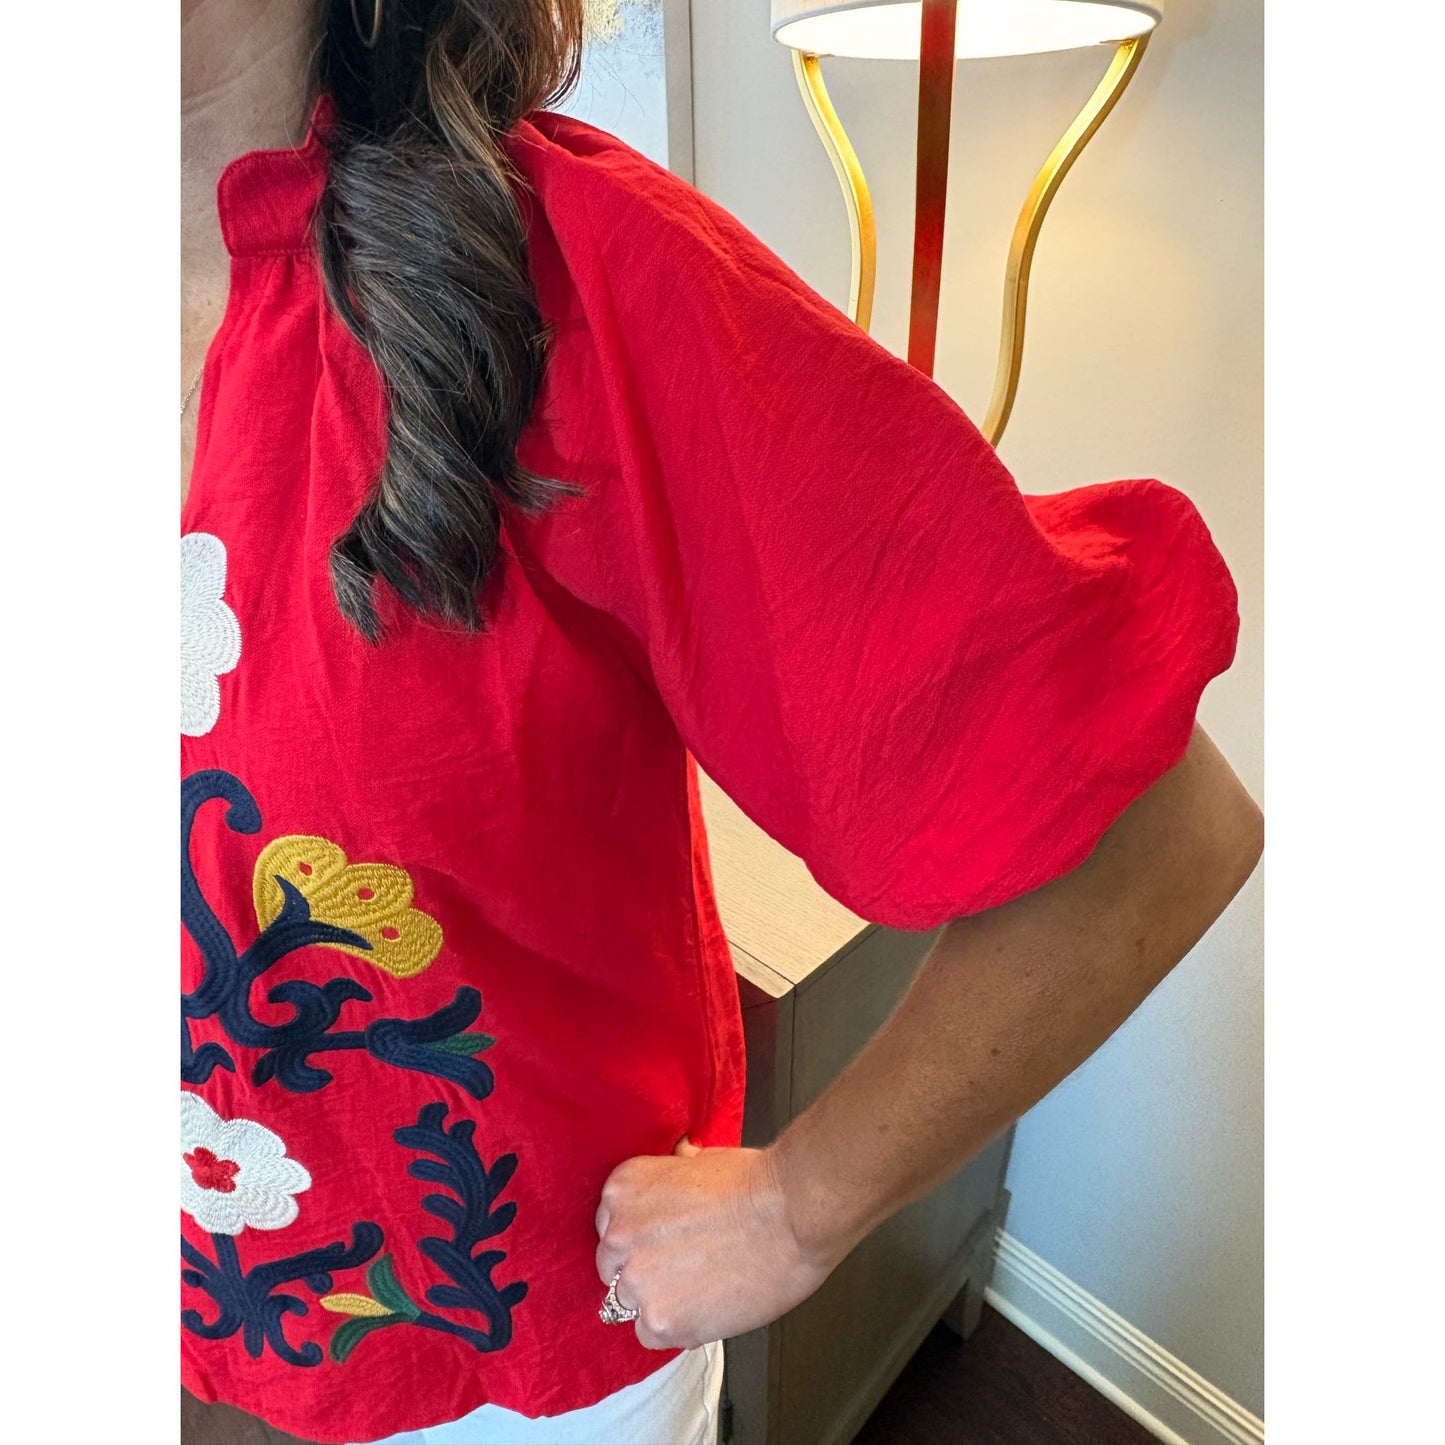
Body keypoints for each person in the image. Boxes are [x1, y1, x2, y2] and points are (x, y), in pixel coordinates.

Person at [179, 3, 1263, 1443]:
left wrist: (796, 1208)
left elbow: (1154, 836)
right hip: (216, 1305)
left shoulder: (561, 284)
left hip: (518, 1361)